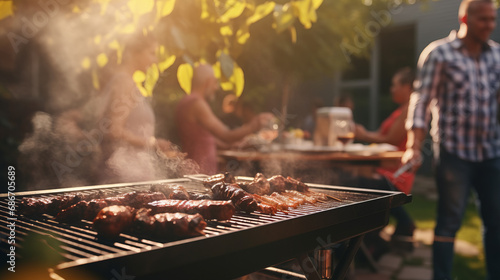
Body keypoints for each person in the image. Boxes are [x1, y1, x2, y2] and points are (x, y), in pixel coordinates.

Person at [402, 1, 500, 279]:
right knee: (448, 223)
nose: (490, 25)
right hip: (454, 153)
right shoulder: (440, 53)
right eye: (483, 19)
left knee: (496, 222)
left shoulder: (497, 55)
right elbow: (421, 100)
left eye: (492, 19)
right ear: (465, 18)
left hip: (492, 151)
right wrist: (412, 146)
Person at [346, 68, 417, 257]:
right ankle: (369, 240)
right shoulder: (401, 110)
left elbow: (391, 140)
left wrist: (364, 135)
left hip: (396, 174)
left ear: (408, 87)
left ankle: (368, 241)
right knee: (353, 180)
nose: (392, 89)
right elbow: (383, 137)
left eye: (395, 85)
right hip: (385, 169)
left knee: (357, 185)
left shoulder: (410, 110)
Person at [98, 32, 182, 184]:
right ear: (135, 52)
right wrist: (154, 143)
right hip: (124, 175)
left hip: (132, 172)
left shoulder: (126, 81)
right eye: (151, 53)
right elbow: (114, 130)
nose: (155, 60)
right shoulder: (124, 82)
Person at [175, 63, 273, 175]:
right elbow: (227, 135)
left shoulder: (185, 102)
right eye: (215, 83)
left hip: (196, 170)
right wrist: (255, 125)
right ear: (208, 82)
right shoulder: (196, 104)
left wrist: (234, 145)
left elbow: (205, 137)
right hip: (199, 173)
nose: (216, 87)